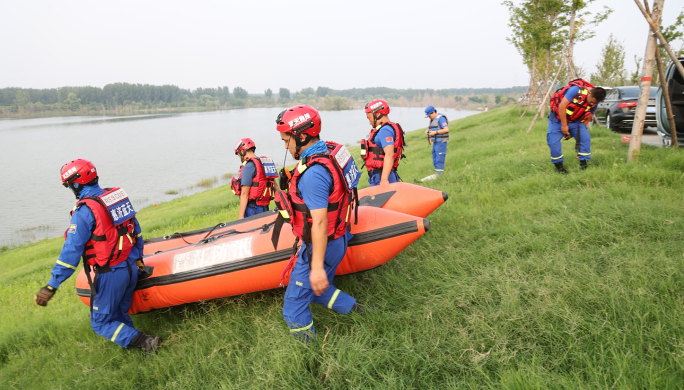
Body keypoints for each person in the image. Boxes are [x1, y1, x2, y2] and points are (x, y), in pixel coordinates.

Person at [34, 159, 161, 353]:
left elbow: (70, 253)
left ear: (76, 183)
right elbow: (136, 231)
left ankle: (146, 342)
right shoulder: (115, 197)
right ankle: (141, 349)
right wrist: (138, 258)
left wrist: (52, 286)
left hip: (111, 274)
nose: (71, 189)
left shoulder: (84, 211)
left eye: (69, 186)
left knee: (100, 323)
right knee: (118, 313)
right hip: (130, 268)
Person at [273, 105, 369, 340]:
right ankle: (363, 313)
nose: (285, 146)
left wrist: (315, 268)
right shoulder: (328, 151)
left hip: (321, 244)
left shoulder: (314, 174)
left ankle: (310, 355)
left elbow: (319, 223)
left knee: (293, 306)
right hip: (339, 238)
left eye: (287, 140)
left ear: (302, 135)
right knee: (318, 290)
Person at [547, 79, 606, 173]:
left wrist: (578, 132)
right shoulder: (575, 90)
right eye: (591, 101)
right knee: (553, 142)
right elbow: (562, 106)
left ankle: (583, 165)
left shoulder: (594, 103)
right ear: (589, 92)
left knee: (585, 138)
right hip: (558, 119)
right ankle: (560, 168)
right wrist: (564, 125)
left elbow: (589, 116)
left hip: (575, 121)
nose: (592, 104)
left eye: (595, 103)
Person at [360, 99, 406, 186]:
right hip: (381, 175)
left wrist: (384, 180)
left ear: (377, 114)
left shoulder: (385, 131)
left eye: (369, 118)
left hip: (382, 176)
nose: (369, 122)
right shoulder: (383, 129)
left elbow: (389, 154)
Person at [230, 138, 278, 218]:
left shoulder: (248, 167)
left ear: (242, 151)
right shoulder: (265, 163)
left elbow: (244, 194)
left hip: (252, 209)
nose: (240, 158)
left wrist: (240, 217)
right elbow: (276, 187)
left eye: (239, 155)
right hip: (265, 208)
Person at [422, 106, 450, 181]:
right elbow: (434, 127)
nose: (429, 117)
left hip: (441, 142)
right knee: (435, 157)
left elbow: (446, 129)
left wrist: (435, 132)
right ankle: (437, 173)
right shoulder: (433, 119)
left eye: (429, 115)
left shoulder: (441, 118)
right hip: (436, 142)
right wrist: (428, 131)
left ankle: (440, 175)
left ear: (433, 112)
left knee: (439, 158)